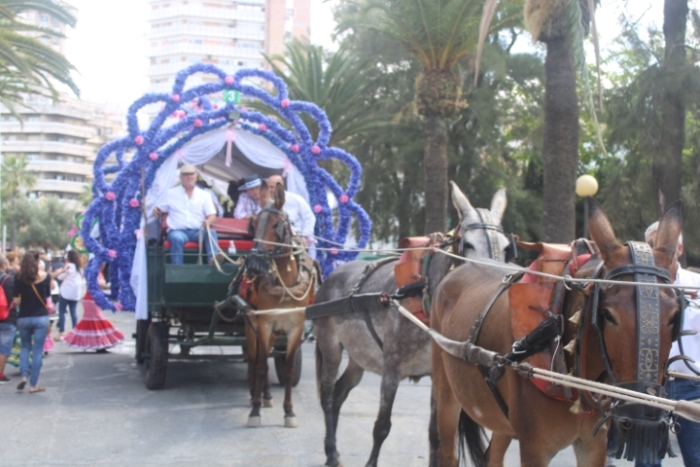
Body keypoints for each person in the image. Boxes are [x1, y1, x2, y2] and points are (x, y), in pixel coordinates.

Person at [636, 222, 700, 467]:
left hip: (692, 387)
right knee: (647, 461)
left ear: (680, 249)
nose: (658, 250)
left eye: (667, 245)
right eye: (652, 245)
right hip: (651, 388)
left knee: (696, 459)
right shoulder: (637, 288)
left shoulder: (696, 283)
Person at [153, 164, 219, 265]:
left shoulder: (205, 195)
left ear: (196, 176)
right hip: (177, 231)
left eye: (191, 174)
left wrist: (208, 221)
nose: (189, 177)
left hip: (198, 231)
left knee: (211, 233)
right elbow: (159, 208)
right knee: (177, 238)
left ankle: (213, 260)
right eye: (185, 174)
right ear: (180, 177)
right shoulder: (170, 193)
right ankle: (177, 269)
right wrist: (156, 210)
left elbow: (212, 215)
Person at [62, 263, 124, 352]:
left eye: (103, 265)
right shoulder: (94, 273)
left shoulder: (99, 273)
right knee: (98, 320)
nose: (102, 266)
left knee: (91, 322)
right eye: (101, 265)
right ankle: (99, 344)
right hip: (91, 300)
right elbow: (99, 285)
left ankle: (90, 343)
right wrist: (111, 286)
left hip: (94, 299)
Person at [14, 250, 51, 393]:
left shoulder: (18, 278)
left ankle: (24, 376)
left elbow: (16, 300)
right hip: (41, 317)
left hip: (23, 317)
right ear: (37, 261)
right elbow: (47, 296)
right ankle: (33, 385)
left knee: (25, 347)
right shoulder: (45, 277)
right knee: (37, 350)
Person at [266, 175, 317, 258]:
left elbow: (310, 218)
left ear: (280, 187)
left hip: (295, 239)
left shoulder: (296, 199)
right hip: (273, 242)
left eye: (272, 187)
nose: (269, 190)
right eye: (268, 187)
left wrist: (303, 235)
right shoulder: (266, 203)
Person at [55, 250, 82, 340]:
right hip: (75, 293)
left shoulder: (69, 266)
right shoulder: (79, 268)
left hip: (66, 292)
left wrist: (60, 271)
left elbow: (60, 277)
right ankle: (75, 331)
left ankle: (61, 331)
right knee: (73, 312)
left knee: (62, 311)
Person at [0, 255, 15, 383]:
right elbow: (13, 299)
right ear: (4, 265)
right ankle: (0, 374)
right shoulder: (7, 279)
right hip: (6, 318)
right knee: (4, 348)